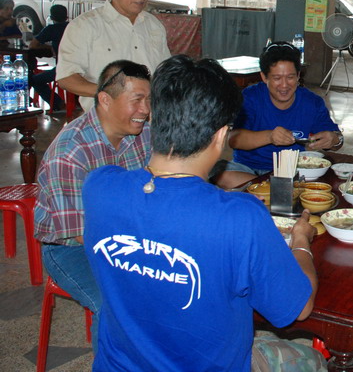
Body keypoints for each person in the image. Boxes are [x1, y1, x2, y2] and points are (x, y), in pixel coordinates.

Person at [82, 55, 325, 372]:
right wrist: (301, 241)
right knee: (315, 360)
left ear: (155, 115)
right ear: (221, 135)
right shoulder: (240, 217)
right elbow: (300, 308)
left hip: (118, 366)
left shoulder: (100, 187)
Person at [34, 60, 152, 350]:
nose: (146, 110)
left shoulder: (142, 133)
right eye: (137, 100)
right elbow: (82, 236)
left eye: (149, 100)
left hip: (130, 234)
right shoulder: (70, 153)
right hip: (72, 250)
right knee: (114, 303)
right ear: (104, 100)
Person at [56, 0, 171, 111]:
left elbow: (165, 73)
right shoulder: (85, 26)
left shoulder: (154, 26)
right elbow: (66, 78)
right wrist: (111, 93)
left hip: (149, 123)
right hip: (105, 127)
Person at [220, 42, 343, 188]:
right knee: (221, 172)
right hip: (248, 170)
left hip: (292, 172)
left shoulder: (312, 103)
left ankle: (267, 191)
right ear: (264, 77)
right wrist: (270, 136)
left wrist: (335, 139)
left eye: (290, 77)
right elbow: (233, 140)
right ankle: (275, 190)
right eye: (277, 78)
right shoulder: (250, 98)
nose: (284, 85)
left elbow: (337, 140)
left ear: (298, 76)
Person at [29, 4, 70, 110]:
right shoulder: (71, 26)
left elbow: (33, 45)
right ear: (66, 16)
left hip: (62, 69)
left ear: (51, 18)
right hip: (80, 67)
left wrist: (48, 46)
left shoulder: (51, 29)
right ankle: (74, 102)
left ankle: (57, 103)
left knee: (34, 80)